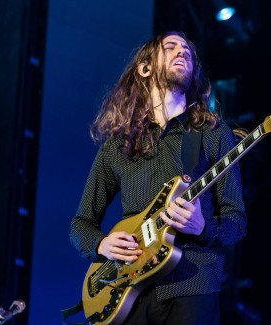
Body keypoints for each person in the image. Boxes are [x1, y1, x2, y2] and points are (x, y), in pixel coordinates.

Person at [70, 31, 247, 325]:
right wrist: (102, 245)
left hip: (192, 283)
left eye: (187, 50)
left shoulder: (214, 134)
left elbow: (236, 223)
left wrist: (203, 227)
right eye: (170, 47)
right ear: (145, 68)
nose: (182, 52)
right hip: (128, 292)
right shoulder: (118, 144)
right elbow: (80, 224)